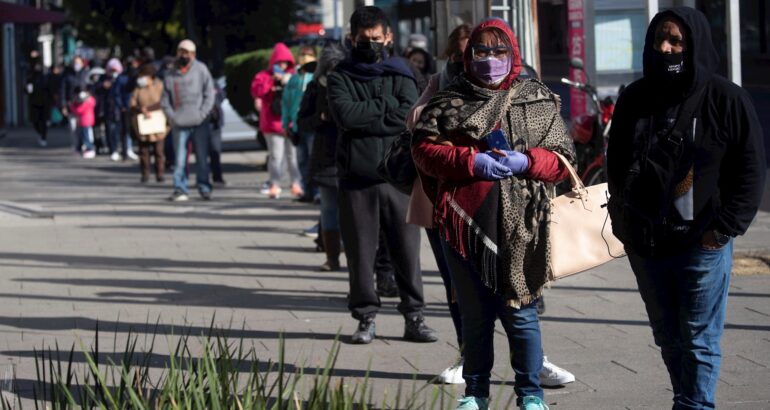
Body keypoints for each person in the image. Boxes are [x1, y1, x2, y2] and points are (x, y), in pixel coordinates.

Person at [411, 18, 576, 410]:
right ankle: (476, 393)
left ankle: (531, 395)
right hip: (464, 225)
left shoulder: (537, 99)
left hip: (524, 227)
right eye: (481, 51)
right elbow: (423, 150)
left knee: (521, 314)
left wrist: (526, 161)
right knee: (475, 316)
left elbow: (564, 161)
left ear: (513, 54)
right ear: (468, 56)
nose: (489, 59)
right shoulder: (449, 100)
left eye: (498, 51)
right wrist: (471, 162)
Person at [606, 8, 766, 409]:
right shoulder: (635, 98)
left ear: (692, 45)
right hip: (647, 245)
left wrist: (724, 229)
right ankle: (687, 399)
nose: (666, 48)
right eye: (660, 39)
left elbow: (751, 169)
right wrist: (626, 224)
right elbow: (617, 162)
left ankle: (694, 405)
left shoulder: (726, 98)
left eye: (676, 41)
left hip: (702, 245)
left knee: (698, 339)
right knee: (669, 338)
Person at [327, 6, 437, 345]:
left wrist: (373, 114)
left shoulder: (402, 72)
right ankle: (365, 318)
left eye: (376, 38)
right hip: (356, 180)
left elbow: (408, 114)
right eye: (363, 39)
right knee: (360, 255)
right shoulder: (339, 75)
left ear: (388, 37)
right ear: (351, 39)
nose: (370, 44)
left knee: (407, 252)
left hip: (399, 178)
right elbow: (346, 116)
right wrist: (386, 109)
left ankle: (414, 317)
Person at [300, 43, 347, 272]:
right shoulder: (315, 87)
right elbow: (303, 121)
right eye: (330, 68)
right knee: (329, 208)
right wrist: (320, 118)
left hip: (351, 155)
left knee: (352, 210)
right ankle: (332, 257)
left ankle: (356, 257)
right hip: (325, 156)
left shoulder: (351, 83)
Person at [161, 39, 216, 202]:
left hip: (199, 122)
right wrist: (172, 117)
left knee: (202, 157)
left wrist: (202, 114)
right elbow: (165, 100)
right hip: (179, 123)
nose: (183, 55)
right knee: (179, 159)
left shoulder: (201, 70)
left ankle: (204, 187)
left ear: (193, 54)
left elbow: (209, 94)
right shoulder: (170, 73)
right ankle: (180, 188)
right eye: (181, 51)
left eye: (187, 52)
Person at [251, 42, 301, 199]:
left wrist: (286, 81)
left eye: (285, 62)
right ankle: (274, 184)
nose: (282, 65)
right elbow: (256, 91)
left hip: (290, 123)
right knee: (275, 157)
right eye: (279, 62)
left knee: (293, 156)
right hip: (272, 125)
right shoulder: (263, 76)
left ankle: (296, 183)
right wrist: (272, 81)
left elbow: (300, 93)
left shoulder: (294, 76)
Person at [283, 45, 318, 201]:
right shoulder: (293, 79)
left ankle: (317, 191)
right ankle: (307, 191)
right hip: (297, 127)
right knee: (302, 160)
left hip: (312, 127)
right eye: (302, 54)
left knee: (313, 159)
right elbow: (286, 103)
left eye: (308, 54)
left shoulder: (316, 77)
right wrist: (286, 124)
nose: (304, 57)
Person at [130, 63, 167, 183]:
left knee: (159, 151)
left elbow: (164, 102)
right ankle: (145, 173)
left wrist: (149, 109)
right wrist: (141, 109)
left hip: (157, 123)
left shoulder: (159, 86)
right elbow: (132, 103)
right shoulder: (138, 89)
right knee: (143, 151)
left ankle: (160, 173)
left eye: (143, 76)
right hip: (142, 124)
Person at [61, 56, 89, 149]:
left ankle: (85, 143)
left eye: (78, 62)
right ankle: (76, 143)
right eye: (75, 62)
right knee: (73, 126)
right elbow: (63, 91)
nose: (76, 64)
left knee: (85, 125)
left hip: (84, 104)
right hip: (72, 104)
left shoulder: (86, 74)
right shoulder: (67, 75)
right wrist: (63, 105)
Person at [26, 60, 51, 147]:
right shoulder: (30, 78)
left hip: (44, 103)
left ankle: (43, 137)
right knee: (35, 121)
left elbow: (50, 89)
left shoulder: (45, 78)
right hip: (34, 103)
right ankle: (41, 133)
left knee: (43, 121)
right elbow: (26, 90)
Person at [68, 88, 97, 158]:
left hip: (85, 121)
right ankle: (81, 149)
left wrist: (72, 105)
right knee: (83, 136)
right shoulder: (91, 100)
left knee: (86, 137)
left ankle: (89, 149)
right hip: (84, 121)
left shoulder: (87, 102)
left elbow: (78, 110)